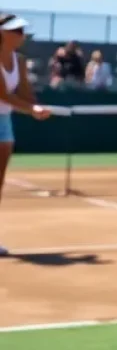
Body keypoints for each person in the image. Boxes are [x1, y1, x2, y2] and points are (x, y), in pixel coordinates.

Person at [0, 14, 51, 255]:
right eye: (16, 30)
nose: (22, 35)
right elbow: (3, 94)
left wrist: (36, 108)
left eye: (22, 30)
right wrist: (31, 109)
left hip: (4, 120)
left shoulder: (19, 60)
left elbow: (24, 93)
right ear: (3, 34)